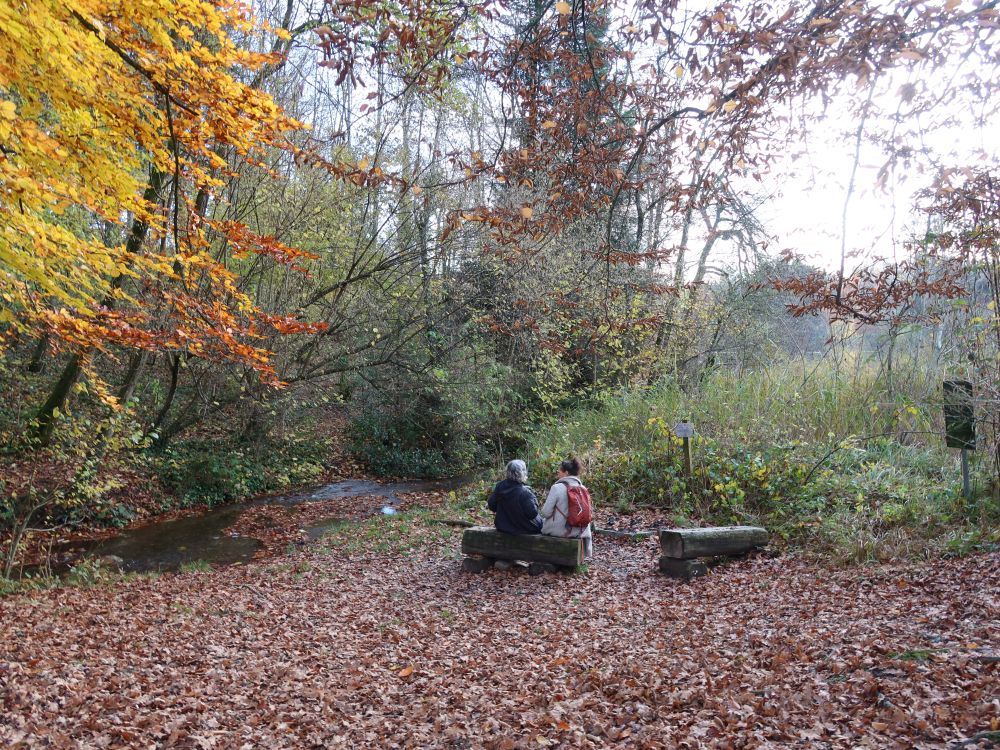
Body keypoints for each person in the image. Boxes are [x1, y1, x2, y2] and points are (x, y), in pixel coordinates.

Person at [540, 457, 593, 559]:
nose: (557, 472)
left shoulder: (556, 488)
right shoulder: (583, 489)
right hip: (581, 531)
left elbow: (546, 513)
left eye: (560, 470)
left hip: (560, 531)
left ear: (566, 473)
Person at [487, 459, 543, 534]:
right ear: (522, 473)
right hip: (522, 529)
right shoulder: (525, 493)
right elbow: (532, 514)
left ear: (507, 471)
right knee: (542, 521)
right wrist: (534, 499)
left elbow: (491, 505)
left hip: (502, 527)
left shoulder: (500, 486)